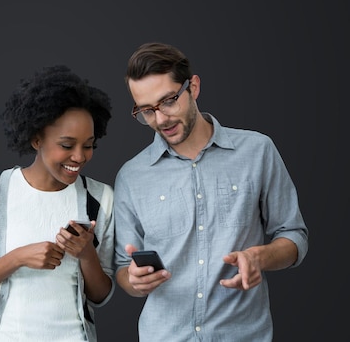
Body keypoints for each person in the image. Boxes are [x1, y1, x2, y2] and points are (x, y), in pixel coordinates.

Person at [113, 42, 308, 341]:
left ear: (193, 87)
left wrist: (260, 257)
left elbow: (294, 235)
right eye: (147, 111)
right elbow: (124, 271)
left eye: (168, 101)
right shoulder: (131, 176)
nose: (161, 119)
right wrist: (133, 281)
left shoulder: (257, 151)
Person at [0, 65, 116, 342]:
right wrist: (18, 258)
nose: (79, 156)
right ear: (36, 139)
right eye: (66, 144)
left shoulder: (101, 198)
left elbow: (101, 296)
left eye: (89, 145)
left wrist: (86, 254)